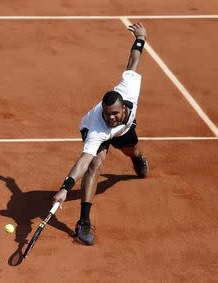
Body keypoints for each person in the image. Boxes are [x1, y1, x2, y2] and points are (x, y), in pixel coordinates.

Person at [52, 22, 149, 246]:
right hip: (96, 132)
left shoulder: (129, 88)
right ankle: (83, 222)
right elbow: (83, 161)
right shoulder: (98, 126)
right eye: (107, 114)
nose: (110, 117)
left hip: (125, 131)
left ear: (123, 107)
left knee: (133, 152)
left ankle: (137, 159)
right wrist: (65, 188)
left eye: (114, 113)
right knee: (96, 163)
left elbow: (133, 60)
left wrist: (140, 37)